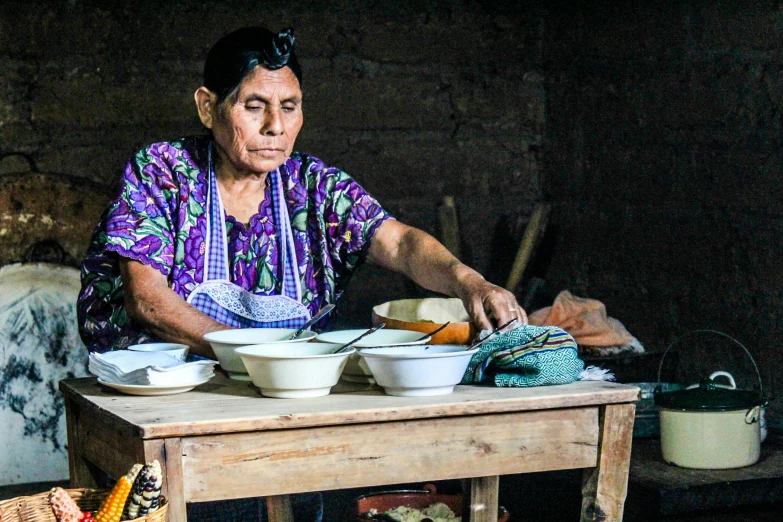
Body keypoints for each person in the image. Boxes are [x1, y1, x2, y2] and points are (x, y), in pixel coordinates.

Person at [77, 26, 527, 356]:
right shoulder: (164, 174)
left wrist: (471, 283)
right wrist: (249, 358)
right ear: (208, 107)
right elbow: (148, 301)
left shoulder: (312, 188)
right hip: (169, 395)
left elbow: (402, 243)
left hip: (281, 391)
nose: (275, 126)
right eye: (254, 106)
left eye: (288, 107)